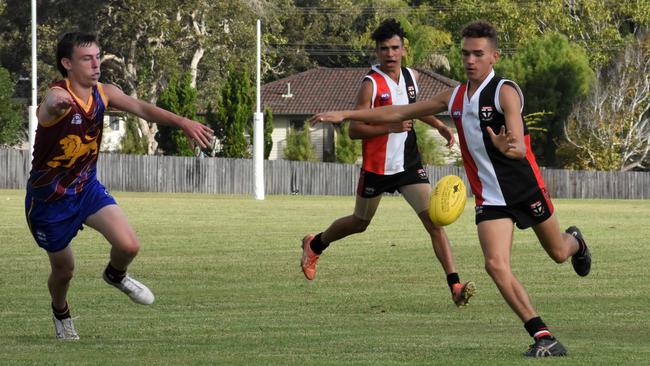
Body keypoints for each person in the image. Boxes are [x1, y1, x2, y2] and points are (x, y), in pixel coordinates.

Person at [309, 20, 591, 358]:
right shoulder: (455, 96)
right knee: (495, 265)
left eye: (478, 54)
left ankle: (577, 241)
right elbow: (400, 111)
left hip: (525, 188)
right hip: (490, 197)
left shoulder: (505, 91)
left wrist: (507, 146)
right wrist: (345, 113)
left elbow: (517, 145)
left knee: (559, 252)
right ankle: (543, 336)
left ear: (493, 57)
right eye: (465, 54)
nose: (470, 60)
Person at [25, 32, 214, 340]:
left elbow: (141, 108)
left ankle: (115, 275)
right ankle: (61, 311)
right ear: (67, 64)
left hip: (86, 189)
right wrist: (55, 103)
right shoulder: (57, 97)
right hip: (49, 201)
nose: (96, 64)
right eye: (87, 59)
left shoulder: (105, 92)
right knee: (65, 270)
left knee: (129, 245)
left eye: (98, 57)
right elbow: (48, 104)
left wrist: (182, 122)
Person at [300, 19, 476, 308]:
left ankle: (455, 285)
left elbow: (413, 109)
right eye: (384, 49)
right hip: (377, 167)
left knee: (434, 223)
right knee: (359, 223)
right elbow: (355, 130)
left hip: (408, 165)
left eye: (395, 47)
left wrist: (440, 126)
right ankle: (315, 244)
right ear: (378, 52)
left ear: (404, 49)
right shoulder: (370, 83)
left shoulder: (410, 77)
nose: (390, 54)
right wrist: (389, 129)